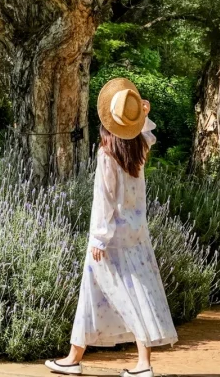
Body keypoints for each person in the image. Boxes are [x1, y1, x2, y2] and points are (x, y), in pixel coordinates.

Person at [46, 78, 177, 377]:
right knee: (121, 291)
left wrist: (99, 239)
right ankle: (73, 357)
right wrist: (143, 114)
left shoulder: (108, 154)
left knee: (127, 296)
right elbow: (148, 134)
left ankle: (141, 365)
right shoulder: (138, 149)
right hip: (137, 234)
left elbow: (104, 201)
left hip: (112, 238)